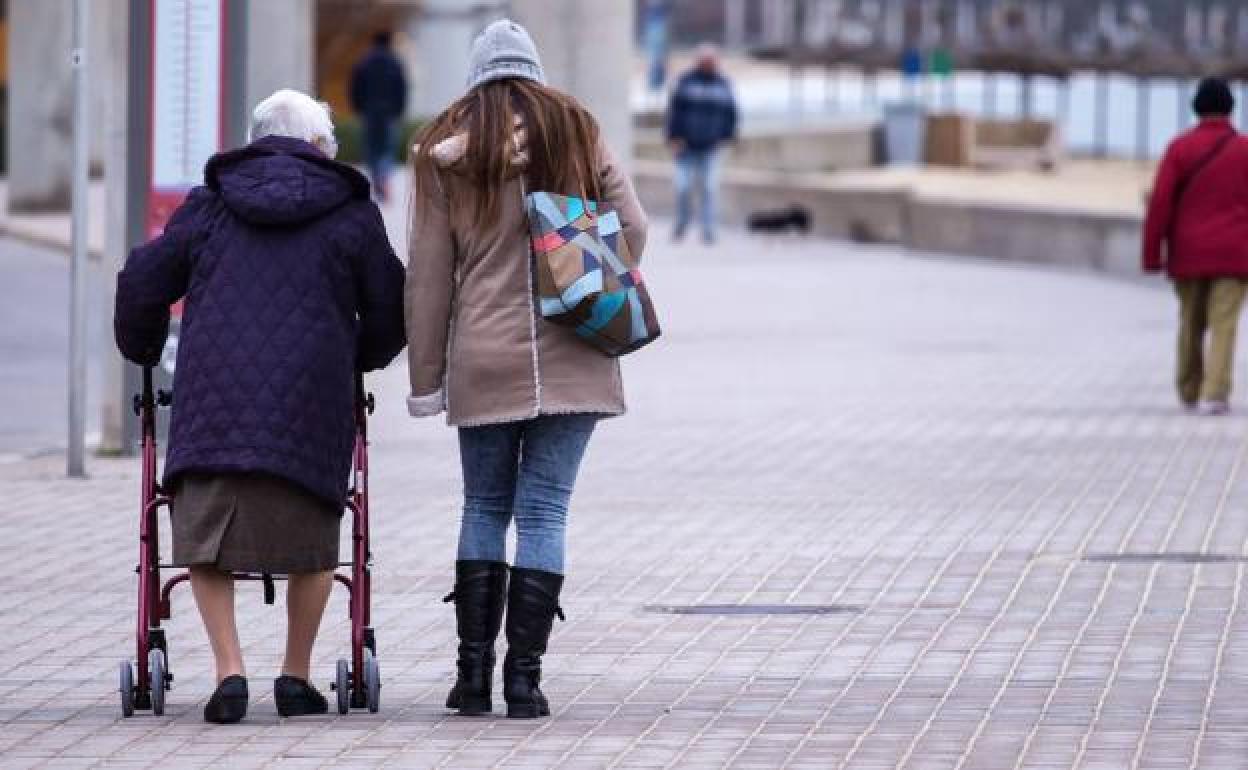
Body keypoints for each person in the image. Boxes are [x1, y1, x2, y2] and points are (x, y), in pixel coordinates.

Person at [114, 89, 406, 723]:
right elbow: (390, 303)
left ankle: (230, 670)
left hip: (212, 405)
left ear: (255, 141)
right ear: (321, 147)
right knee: (319, 531)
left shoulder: (210, 205)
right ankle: (295, 675)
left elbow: (141, 280)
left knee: (201, 533)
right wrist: (363, 357)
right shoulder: (351, 209)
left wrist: (140, 348)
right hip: (311, 402)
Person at [405, 19, 647, 719]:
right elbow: (633, 226)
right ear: (535, 69)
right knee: (544, 510)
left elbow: (427, 275)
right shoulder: (577, 128)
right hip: (575, 350)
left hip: (484, 357)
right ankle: (525, 680)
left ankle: (471, 678)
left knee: (483, 506)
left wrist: (425, 380)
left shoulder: (442, 149)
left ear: (477, 76)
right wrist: (584, 268)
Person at [1143, 77, 1248, 415]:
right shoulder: (1244, 149)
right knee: (1224, 322)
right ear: (1231, 109)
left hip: (1188, 252)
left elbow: (1160, 203)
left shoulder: (1179, 148)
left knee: (1190, 321)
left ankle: (1189, 387)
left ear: (1195, 108)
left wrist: (1151, 255)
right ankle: (1215, 392)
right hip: (1234, 253)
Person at [666, 43, 737, 245]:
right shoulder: (686, 82)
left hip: (710, 147)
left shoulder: (723, 85)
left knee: (709, 188)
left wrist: (726, 136)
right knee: (683, 187)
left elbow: (730, 114)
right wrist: (673, 136)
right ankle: (682, 223)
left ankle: (708, 229)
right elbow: (675, 112)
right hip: (686, 146)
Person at [349, 30, 408, 202]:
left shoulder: (364, 62)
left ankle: (377, 182)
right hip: (389, 113)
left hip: (369, 112)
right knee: (387, 149)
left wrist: (358, 107)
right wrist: (399, 110)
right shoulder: (395, 62)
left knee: (372, 149)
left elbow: (355, 87)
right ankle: (384, 179)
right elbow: (401, 88)